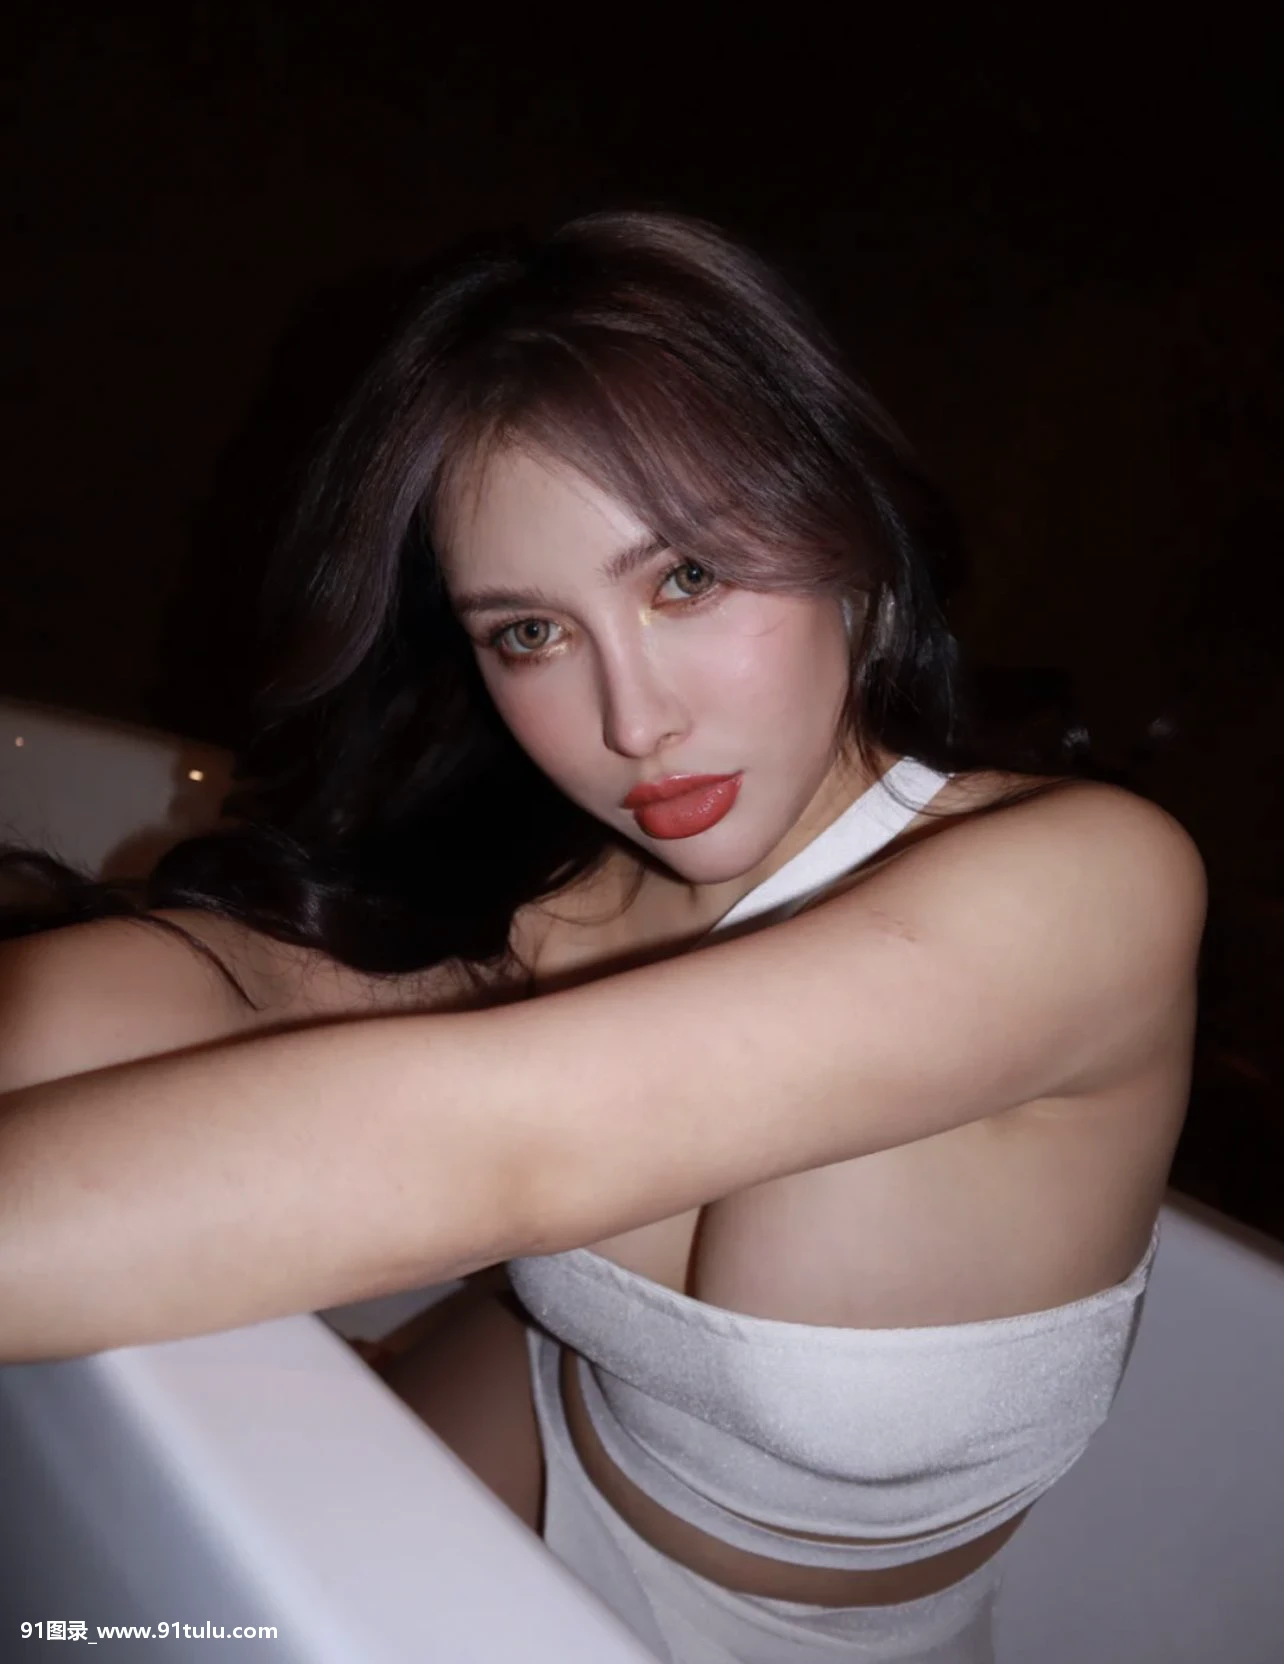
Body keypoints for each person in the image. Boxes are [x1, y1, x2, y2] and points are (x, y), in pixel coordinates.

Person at [0, 209, 1205, 1663]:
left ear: (847, 541)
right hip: (525, 1449)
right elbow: (190, 999)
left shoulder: (1086, 888)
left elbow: (507, 1149)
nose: (633, 722)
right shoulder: (572, 892)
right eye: (531, 632)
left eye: (686, 578)